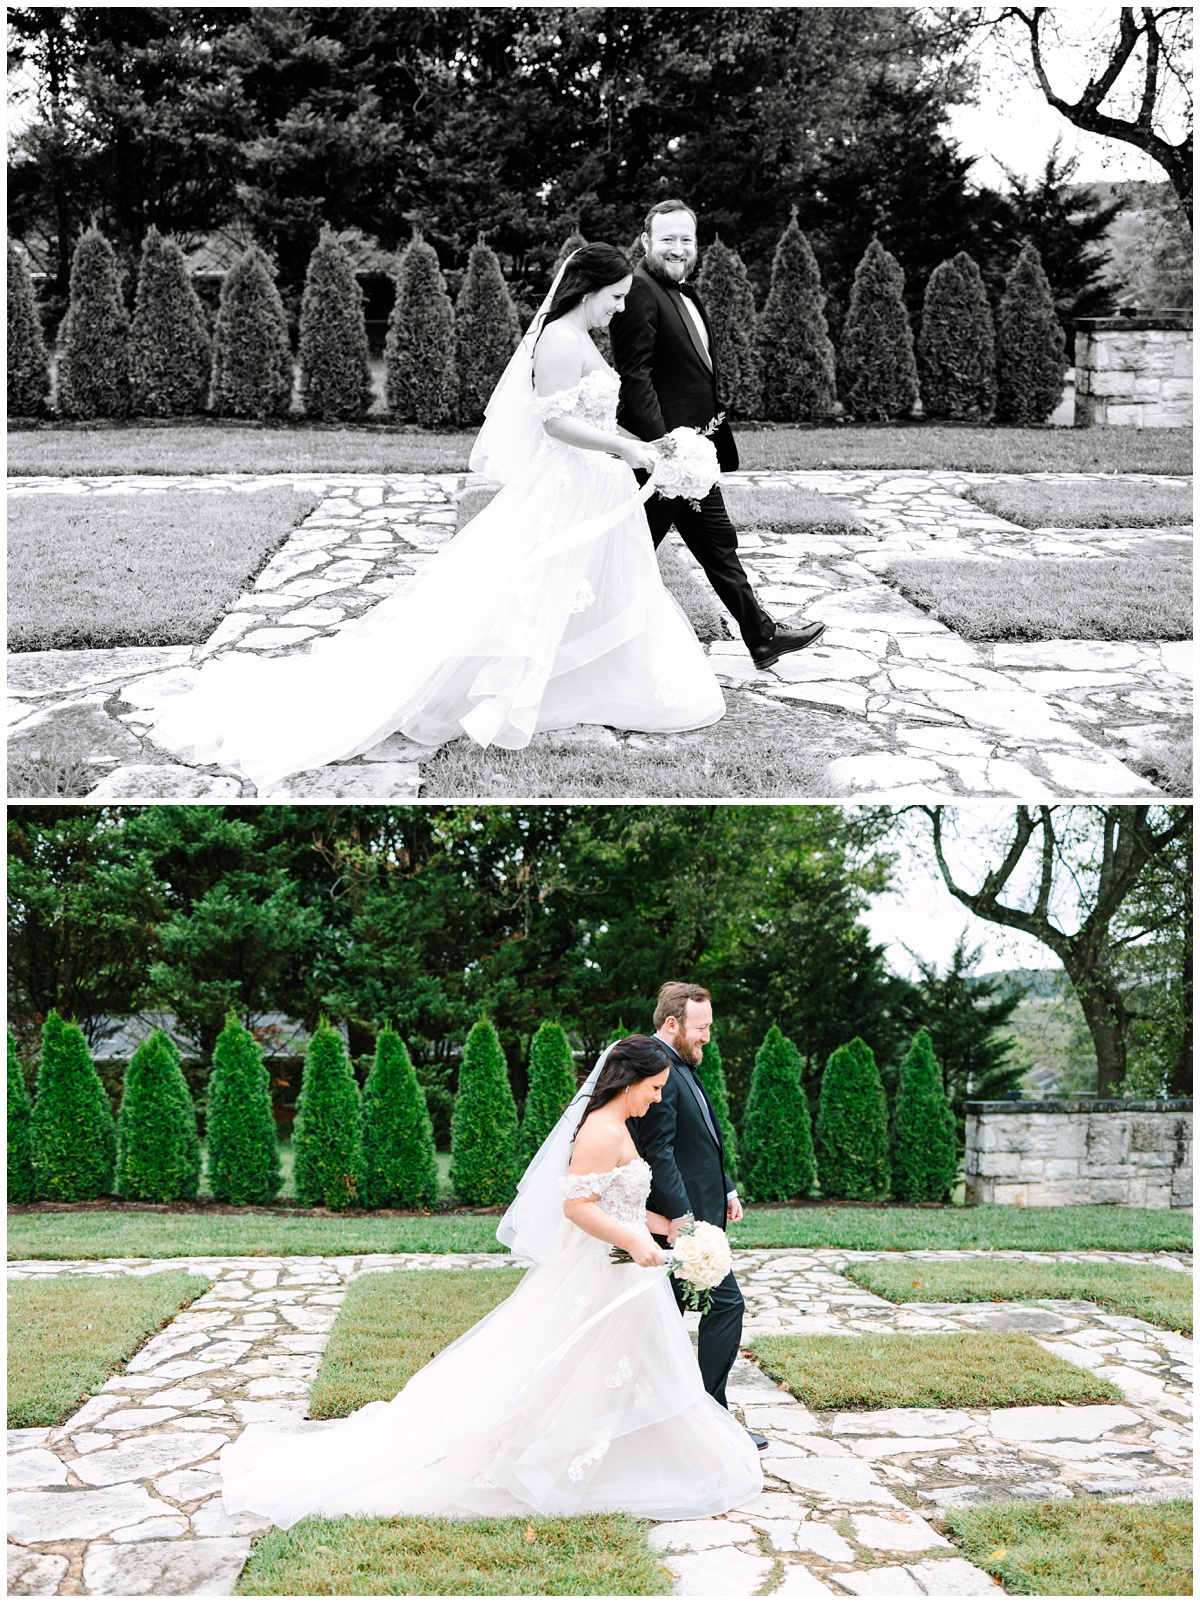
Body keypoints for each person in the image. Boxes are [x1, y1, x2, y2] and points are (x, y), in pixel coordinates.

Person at [148, 245, 724, 793]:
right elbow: (553, 423)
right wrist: (624, 450)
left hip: (593, 483)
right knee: (526, 591)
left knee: (591, 590)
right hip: (566, 486)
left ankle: (587, 684)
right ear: (589, 289)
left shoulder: (581, 337)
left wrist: (648, 447)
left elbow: (592, 415)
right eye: (615, 297)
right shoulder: (557, 340)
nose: (620, 309)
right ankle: (502, 690)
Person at [220, 1036, 763, 1527]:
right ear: (629, 1081)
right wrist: (633, 1242)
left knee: (624, 1367)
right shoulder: (599, 1128)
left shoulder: (618, 1125)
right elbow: (576, 1206)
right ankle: (537, 1459)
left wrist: (666, 1227)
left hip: (622, 1274)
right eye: (654, 1088)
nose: (657, 1098)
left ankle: (635, 1456)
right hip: (601, 1272)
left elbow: (622, 1200)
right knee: (574, 1365)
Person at [610, 199, 827, 669]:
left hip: (687, 454)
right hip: (664, 454)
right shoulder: (640, 290)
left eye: (686, 239)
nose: (677, 248)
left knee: (707, 544)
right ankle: (572, 636)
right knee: (627, 553)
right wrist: (662, 449)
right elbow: (635, 377)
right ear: (646, 241)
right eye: (667, 239)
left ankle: (762, 636)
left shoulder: (681, 291)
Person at [631, 981, 767, 1450]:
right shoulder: (659, 1068)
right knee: (722, 1306)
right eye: (701, 1027)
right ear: (673, 1023)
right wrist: (683, 1223)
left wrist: (725, 1185)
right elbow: (660, 1152)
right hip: (677, 1223)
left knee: (664, 1317)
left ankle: (685, 1419)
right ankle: (707, 1418)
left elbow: (702, 1138)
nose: (707, 1035)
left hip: (698, 1216)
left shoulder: (682, 1064)